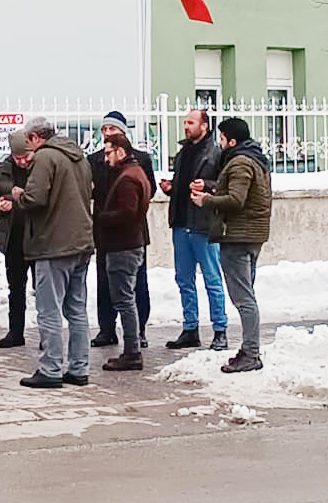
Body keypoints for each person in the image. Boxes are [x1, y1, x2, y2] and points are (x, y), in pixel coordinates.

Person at [11, 117, 94, 389]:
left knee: (49, 310)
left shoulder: (46, 158)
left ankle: (51, 369)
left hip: (53, 243)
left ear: (36, 138)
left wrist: (18, 195)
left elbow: (36, 198)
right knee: (77, 309)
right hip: (81, 241)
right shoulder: (78, 156)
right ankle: (79, 368)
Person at [191, 117, 272, 373]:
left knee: (243, 298)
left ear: (232, 141)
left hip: (239, 237)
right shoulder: (255, 159)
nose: (220, 143)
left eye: (222, 138)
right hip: (251, 235)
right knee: (246, 295)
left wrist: (207, 200)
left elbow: (236, 200)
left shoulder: (239, 163)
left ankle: (251, 353)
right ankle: (250, 349)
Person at [159, 108, 229, 351]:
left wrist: (208, 185)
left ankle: (220, 330)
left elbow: (225, 184)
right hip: (181, 222)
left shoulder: (215, 153)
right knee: (183, 278)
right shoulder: (183, 152)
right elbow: (182, 181)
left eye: (190, 122)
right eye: (185, 123)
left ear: (204, 126)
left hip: (203, 224)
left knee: (211, 278)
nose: (186, 127)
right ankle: (190, 328)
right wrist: (171, 187)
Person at [88, 110, 155, 350]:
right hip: (106, 233)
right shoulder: (96, 160)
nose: (108, 133)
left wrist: (113, 213)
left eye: (113, 130)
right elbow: (91, 189)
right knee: (105, 281)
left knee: (136, 284)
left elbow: (148, 190)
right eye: (105, 129)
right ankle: (107, 328)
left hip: (129, 232)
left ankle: (138, 331)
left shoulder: (139, 161)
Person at [98, 130, 152, 371]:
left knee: (124, 299)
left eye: (109, 152)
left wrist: (101, 218)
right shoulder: (134, 171)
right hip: (129, 244)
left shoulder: (128, 178)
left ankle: (132, 352)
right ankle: (132, 350)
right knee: (126, 298)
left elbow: (128, 213)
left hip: (124, 246)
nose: (105, 158)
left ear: (120, 152)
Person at [0, 129, 34, 348]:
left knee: (44, 291)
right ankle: (15, 332)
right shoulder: (3, 170)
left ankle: (48, 336)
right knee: (16, 288)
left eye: (25, 157)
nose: (22, 161)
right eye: (18, 157)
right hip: (13, 237)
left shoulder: (40, 168)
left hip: (37, 237)